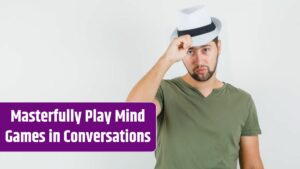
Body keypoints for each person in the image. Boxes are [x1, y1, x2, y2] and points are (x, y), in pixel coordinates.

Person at [127, 5, 264, 169]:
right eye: (191, 52)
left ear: (218, 47)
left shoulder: (242, 101)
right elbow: (130, 118)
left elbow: (252, 166)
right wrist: (167, 59)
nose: (199, 61)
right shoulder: (164, 91)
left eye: (206, 49)